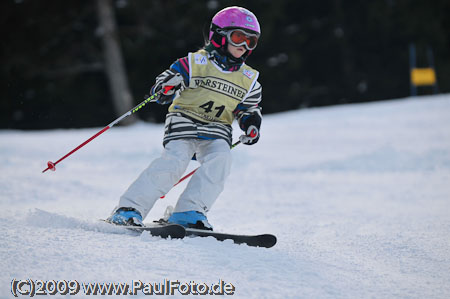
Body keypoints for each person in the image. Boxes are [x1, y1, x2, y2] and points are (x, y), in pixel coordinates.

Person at [107, 6, 262, 230]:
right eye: (238, 37)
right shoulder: (195, 63)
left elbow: (248, 108)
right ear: (219, 36)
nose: (244, 46)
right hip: (185, 122)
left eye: (251, 41)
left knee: (221, 161)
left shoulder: (249, 79)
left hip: (217, 130)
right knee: (174, 162)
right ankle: (129, 209)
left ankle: (189, 211)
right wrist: (167, 87)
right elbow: (164, 83)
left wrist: (251, 123)